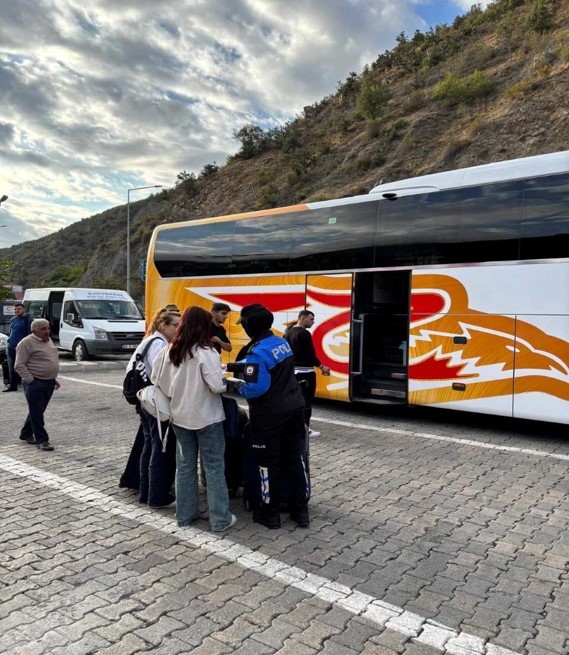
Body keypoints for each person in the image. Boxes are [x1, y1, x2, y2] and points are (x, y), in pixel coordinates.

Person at [153, 306, 236, 532]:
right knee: (214, 467)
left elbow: (156, 379)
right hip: (207, 417)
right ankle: (220, 519)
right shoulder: (205, 352)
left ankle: (185, 515)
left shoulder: (169, 350)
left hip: (179, 416)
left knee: (185, 467)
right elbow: (217, 385)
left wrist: (175, 390)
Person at [227, 303, 310, 529]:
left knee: (268, 464)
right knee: (293, 458)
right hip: (295, 408)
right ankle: (300, 511)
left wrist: (235, 385)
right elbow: (269, 367)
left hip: (269, 415)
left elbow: (256, 388)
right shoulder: (281, 342)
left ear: (248, 326)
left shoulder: (256, 352)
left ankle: (269, 513)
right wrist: (237, 365)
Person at [120, 306, 180, 489]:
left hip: (145, 399)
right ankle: (152, 488)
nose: (178, 329)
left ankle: (143, 485)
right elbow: (160, 375)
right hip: (152, 401)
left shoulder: (153, 341)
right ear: (163, 325)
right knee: (155, 445)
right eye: (175, 325)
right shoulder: (158, 344)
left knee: (148, 443)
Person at [14, 318, 60, 451]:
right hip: (35, 383)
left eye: (48, 328)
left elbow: (49, 360)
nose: (47, 331)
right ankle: (42, 440)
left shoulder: (48, 340)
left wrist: (52, 377)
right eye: (43, 329)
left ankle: (25, 433)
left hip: (49, 382)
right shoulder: (26, 343)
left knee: (37, 411)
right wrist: (31, 380)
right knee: (37, 413)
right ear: (34, 331)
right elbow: (18, 365)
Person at [284, 310, 330, 438]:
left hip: (292, 372)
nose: (313, 322)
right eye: (311, 319)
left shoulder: (288, 333)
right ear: (302, 318)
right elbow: (310, 354)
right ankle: (305, 429)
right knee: (305, 403)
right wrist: (322, 367)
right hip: (306, 373)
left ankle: (292, 427)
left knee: (293, 401)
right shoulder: (304, 334)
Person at [3, 302, 32, 392]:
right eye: (15, 309)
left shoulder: (28, 320)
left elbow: (30, 335)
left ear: (23, 309)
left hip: (21, 347)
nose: (16, 311)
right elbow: (12, 333)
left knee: (23, 366)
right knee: (11, 366)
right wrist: (8, 344)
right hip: (11, 346)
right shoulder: (13, 319)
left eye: (19, 309)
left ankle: (29, 383)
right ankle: (13, 385)